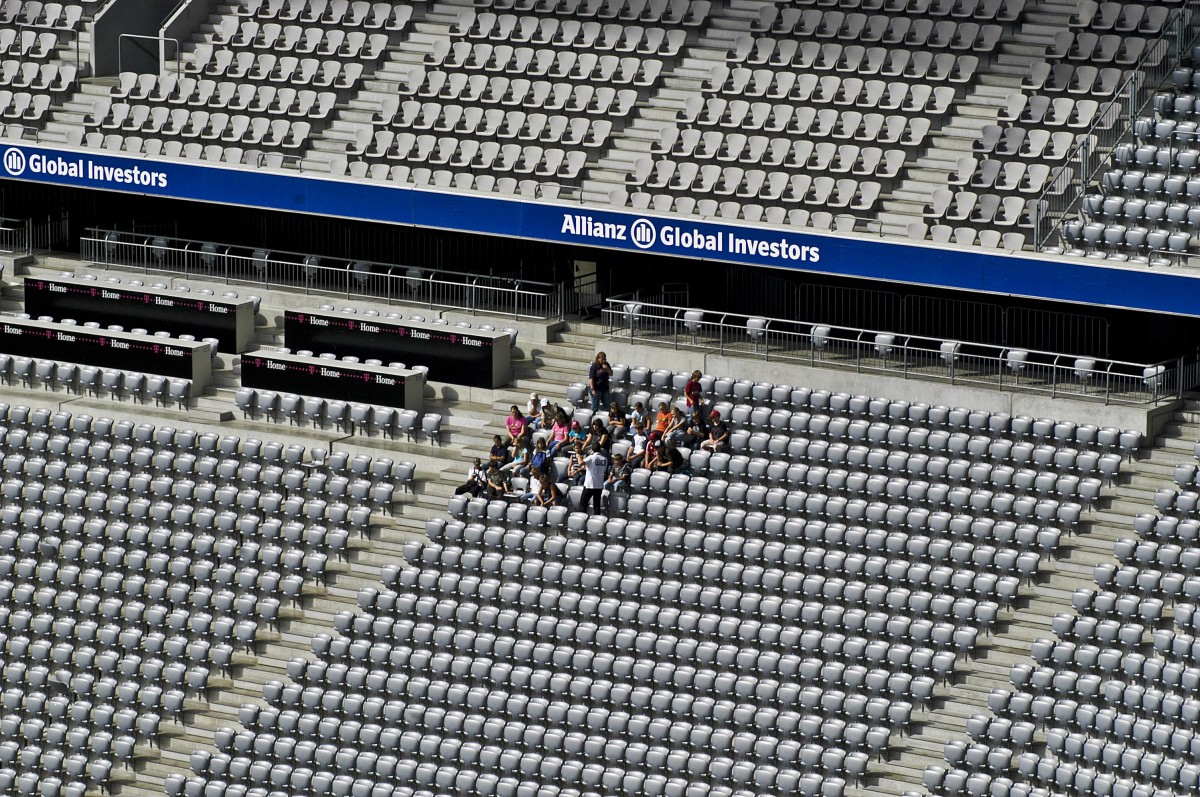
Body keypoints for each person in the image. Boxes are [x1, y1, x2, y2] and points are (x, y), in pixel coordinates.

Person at [581, 443, 608, 514]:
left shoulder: (591, 457)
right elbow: (603, 469)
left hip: (589, 485)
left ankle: (583, 519)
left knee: (583, 503)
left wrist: (578, 455)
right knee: (597, 505)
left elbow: (581, 463)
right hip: (599, 485)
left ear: (592, 449)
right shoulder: (605, 459)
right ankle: (596, 520)